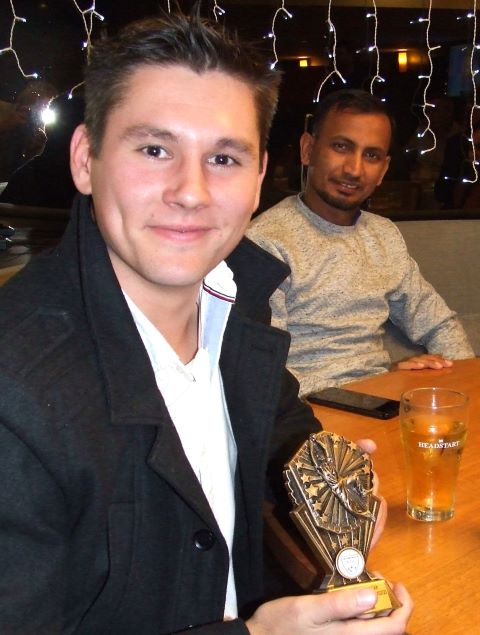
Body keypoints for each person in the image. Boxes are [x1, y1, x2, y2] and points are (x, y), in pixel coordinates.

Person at [0, 15, 412, 634]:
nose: (190, 191)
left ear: (257, 179)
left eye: (223, 157)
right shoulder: (16, 388)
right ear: (86, 159)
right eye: (155, 149)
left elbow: (280, 425)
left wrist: (332, 479)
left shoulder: (236, 300)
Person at [247, 89, 474, 398]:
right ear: (308, 149)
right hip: (309, 415)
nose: (354, 169)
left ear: (383, 170)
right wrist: (375, 388)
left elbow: (439, 324)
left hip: (381, 403)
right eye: (341, 147)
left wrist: (463, 388)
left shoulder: (384, 236)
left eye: (371, 155)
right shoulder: (265, 242)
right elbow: (262, 374)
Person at [0, 80, 57, 193]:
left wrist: (38, 150)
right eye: (33, 108)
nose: (35, 114)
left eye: (44, 108)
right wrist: (5, 125)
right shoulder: (3, 111)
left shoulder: (44, 129)